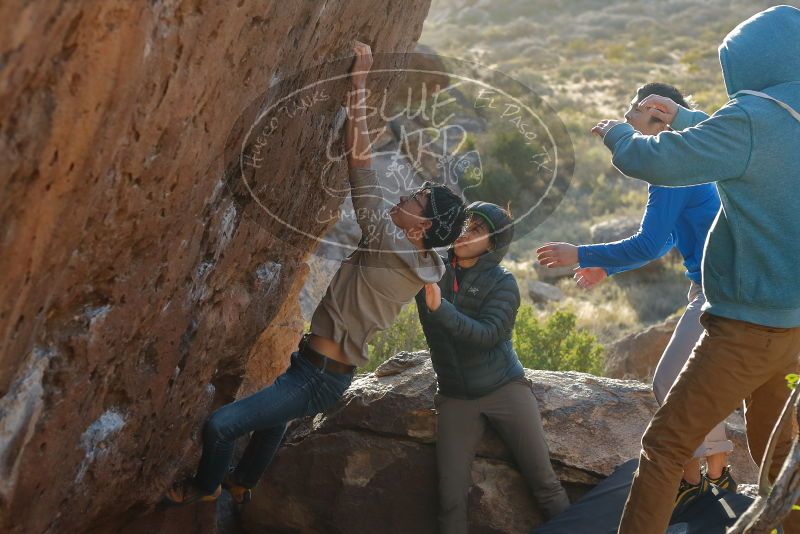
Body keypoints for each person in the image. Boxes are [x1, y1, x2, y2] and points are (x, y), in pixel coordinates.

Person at [165, 41, 467, 505]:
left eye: (416, 200)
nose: (405, 197)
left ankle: (202, 494)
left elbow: (358, 162)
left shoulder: (385, 243)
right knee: (275, 420)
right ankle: (244, 483)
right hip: (316, 368)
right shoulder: (426, 262)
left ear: (422, 225)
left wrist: (359, 84)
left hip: (319, 376)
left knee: (221, 426)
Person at [590, 6, 800, 533]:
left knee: (664, 448)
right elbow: (753, 142)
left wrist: (620, 135)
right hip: (795, 320)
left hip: (747, 326)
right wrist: (683, 118)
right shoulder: (781, 114)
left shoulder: (751, 117)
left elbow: (655, 161)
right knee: (778, 449)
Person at [536, 82, 735, 514]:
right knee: (702, 380)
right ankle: (717, 474)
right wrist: (608, 266)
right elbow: (664, 240)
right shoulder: (694, 150)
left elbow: (648, 244)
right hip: (725, 286)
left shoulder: (673, 164)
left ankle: (692, 482)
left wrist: (581, 252)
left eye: (634, 109)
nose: (626, 117)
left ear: (660, 114)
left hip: (716, 292)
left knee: (670, 381)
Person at [416, 202, 570, 534]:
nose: (465, 233)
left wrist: (439, 308)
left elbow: (487, 336)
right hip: (455, 396)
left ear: (493, 244)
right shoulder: (432, 269)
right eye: (464, 225)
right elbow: (398, 261)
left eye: (477, 230)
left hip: (505, 388)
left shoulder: (504, 283)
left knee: (545, 484)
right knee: (450, 498)